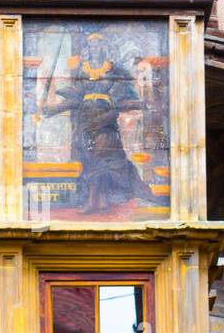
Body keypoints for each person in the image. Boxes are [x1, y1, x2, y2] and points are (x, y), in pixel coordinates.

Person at [39, 34, 165, 213]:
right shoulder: (83, 71)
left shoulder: (114, 72)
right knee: (90, 161)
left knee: (101, 161)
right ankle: (102, 201)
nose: (94, 49)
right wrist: (53, 110)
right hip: (86, 123)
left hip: (105, 122)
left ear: (104, 48)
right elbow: (75, 96)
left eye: (97, 46)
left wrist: (143, 104)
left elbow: (122, 100)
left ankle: (94, 201)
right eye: (91, 47)